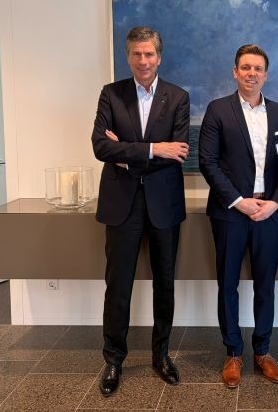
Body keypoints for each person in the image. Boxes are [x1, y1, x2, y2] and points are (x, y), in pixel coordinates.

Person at [91, 26, 190, 396]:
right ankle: (113, 359)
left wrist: (126, 154)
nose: (143, 61)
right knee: (118, 285)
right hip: (122, 205)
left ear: (159, 57)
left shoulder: (178, 97)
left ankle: (160, 355)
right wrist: (153, 149)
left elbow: (178, 152)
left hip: (164, 204)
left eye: (149, 54)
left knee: (165, 284)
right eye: (137, 54)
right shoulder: (111, 94)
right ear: (128, 56)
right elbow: (100, 147)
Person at [199, 44, 278, 389]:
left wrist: (275, 203)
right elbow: (208, 162)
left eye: (257, 68)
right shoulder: (217, 110)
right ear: (235, 72)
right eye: (245, 67)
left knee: (265, 285)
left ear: (265, 75)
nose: (251, 73)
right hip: (230, 213)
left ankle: (263, 351)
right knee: (228, 284)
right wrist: (239, 202)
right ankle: (233, 353)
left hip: (268, 213)